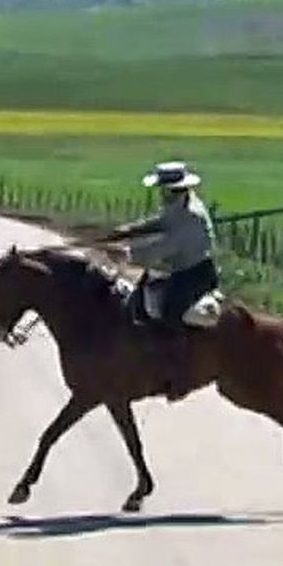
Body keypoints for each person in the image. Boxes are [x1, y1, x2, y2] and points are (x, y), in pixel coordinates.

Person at [94, 161, 219, 400]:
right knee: (140, 295)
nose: (161, 194)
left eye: (164, 190)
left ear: (174, 190)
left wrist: (128, 254)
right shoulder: (177, 206)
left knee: (170, 311)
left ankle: (179, 373)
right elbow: (160, 224)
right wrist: (128, 231)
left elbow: (165, 246)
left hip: (194, 274)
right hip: (179, 269)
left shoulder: (190, 216)